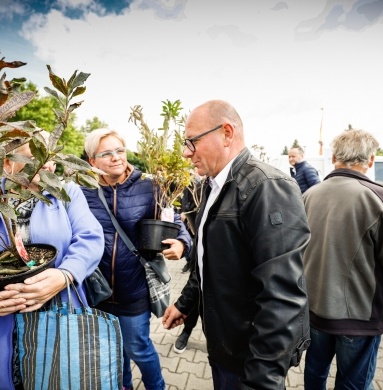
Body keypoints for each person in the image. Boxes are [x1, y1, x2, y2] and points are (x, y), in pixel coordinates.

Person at [162, 99, 311, 389]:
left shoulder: (267, 187)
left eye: (191, 142)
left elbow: (283, 297)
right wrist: (186, 302)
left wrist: (262, 379)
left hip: (251, 362)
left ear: (227, 133)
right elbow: (207, 259)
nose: (185, 153)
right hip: (224, 348)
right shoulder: (213, 185)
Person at [82, 128, 192, 390]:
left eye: (119, 150)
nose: (116, 157)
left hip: (134, 290)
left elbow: (175, 222)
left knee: (138, 348)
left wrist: (181, 243)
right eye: (106, 153)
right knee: (112, 351)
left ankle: (157, 387)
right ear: (92, 161)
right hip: (97, 292)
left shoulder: (149, 186)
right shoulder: (83, 192)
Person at [0, 134, 104, 390]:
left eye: (51, 157)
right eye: (35, 155)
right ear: (8, 163)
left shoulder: (67, 192)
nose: (47, 164)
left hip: (59, 310)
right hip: (7, 321)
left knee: (58, 376)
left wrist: (65, 274)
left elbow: (90, 237)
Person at [302, 129, 383, 390]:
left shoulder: (308, 196)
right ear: (371, 160)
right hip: (359, 318)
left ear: (333, 159)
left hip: (314, 311)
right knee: (354, 385)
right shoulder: (380, 199)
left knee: (315, 373)